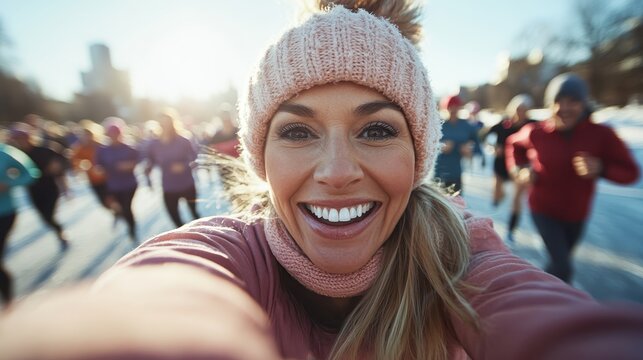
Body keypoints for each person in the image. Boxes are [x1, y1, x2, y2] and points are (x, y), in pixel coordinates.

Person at [1, 3, 643, 359]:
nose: (337, 173)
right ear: (259, 154)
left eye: (377, 130)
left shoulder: (463, 259)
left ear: (419, 155)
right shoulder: (229, 253)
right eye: (299, 132)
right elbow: (169, 291)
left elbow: (544, 319)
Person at [506, 73, 640, 283]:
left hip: (577, 214)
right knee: (562, 266)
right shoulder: (536, 132)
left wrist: (601, 168)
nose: (565, 108)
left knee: (561, 261)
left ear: (584, 103)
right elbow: (513, 145)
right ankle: (554, 308)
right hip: (543, 209)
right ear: (551, 104)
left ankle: (549, 293)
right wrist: (519, 170)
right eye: (558, 101)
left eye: (573, 101)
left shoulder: (601, 134)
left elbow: (631, 173)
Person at [7, 122, 70, 249]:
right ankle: (58, 231)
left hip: (50, 188)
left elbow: (62, 164)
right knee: (45, 217)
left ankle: (60, 232)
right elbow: (10, 172)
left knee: (49, 213)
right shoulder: (16, 155)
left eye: (22, 138)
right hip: (33, 190)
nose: (20, 141)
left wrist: (64, 185)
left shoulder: (44, 150)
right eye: (17, 139)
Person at [483, 94, 537, 241]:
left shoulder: (533, 126)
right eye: (518, 109)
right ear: (512, 109)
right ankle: (499, 197)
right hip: (500, 165)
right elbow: (484, 137)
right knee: (497, 194)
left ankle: (511, 230)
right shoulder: (502, 125)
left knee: (517, 199)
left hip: (521, 167)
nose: (520, 112)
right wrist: (494, 148)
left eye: (524, 109)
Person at [144, 108, 200, 228]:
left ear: (173, 123)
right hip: (168, 188)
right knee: (176, 221)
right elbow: (151, 162)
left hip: (187, 185)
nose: (165, 126)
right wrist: (147, 172)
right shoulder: (154, 144)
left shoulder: (184, 140)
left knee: (195, 215)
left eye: (167, 123)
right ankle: (186, 241)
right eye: (162, 123)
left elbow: (195, 159)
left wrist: (184, 165)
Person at [0, 144, 40, 305]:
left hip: (4, 213)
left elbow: (31, 173)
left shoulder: (5, 152)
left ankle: (9, 302)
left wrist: (8, 182)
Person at [95, 118, 140, 241]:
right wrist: (99, 169)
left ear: (121, 133)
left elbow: (137, 161)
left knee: (127, 207)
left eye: (116, 133)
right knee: (118, 207)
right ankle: (120, 215)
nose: (114, 136)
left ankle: (132, 230)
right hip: (113, 185)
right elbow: (98, 165)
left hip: (129, 184)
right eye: (111, 134)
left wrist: (128, 165)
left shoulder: (129, 147)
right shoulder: (102, 150)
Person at [434, 94, 480, 194]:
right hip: (438, 172)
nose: (453, 110)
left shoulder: (466, 125)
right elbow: (425, 145)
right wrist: (440, 146)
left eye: (456, 107)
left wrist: (469, 149)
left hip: (456, 172)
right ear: (445, 108)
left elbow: (477, 146)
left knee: (456, 204)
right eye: (450, 107)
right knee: (437, 205)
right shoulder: (437, 124)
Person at [69, 120, 109, 209]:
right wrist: (81, 165)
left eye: (88, 135)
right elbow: (75, 163)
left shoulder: (99, 145)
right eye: (83, 135)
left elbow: (109, 157)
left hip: (107, 177)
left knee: (111, 198)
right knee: (103, 202)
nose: (86, 138)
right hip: (93, 180)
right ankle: (114, 211)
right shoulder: (78, 148)